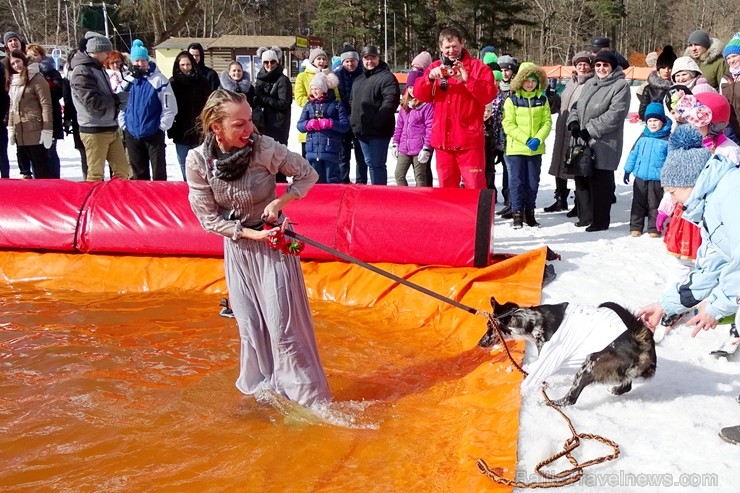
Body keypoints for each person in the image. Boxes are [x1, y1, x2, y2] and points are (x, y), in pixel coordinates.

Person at [185, 89, 330, 408]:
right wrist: (250, 236)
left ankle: (308, 401)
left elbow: (308, 174)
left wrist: (280, 202)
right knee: (250, 326)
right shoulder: (198, 161)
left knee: (283, 330)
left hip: (274, 244)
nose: (249, 129)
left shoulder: (264, 148)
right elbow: (208, 220)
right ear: (216, 128)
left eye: (250, 120)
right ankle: (267, 395)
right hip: (240, 250)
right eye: (239, 124)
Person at [636, 125, 740, 443]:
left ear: (689, 183)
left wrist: (719, 306)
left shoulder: (730, 195)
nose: (671, 199)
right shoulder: (712, 197)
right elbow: (711, 265)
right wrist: (665, 305)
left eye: (672, 192)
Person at [413, 27, 496, 189]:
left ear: (462, 43)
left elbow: (488, 95)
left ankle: (478, 215)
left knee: (475, 187)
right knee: (447, 190)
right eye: (447, 47)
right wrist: (429, 78)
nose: (451, 51)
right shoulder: (435, 67)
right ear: (441, 48)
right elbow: (419, 95)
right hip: (443, 141)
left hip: (469, 142)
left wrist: (467, 80)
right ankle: (451, 216)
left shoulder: (478, 68)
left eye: (454, 46)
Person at [566, 50, 630, 232]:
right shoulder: (590, 83)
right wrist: (574, 122)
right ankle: (585, 215)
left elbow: (615, 114)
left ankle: (600, 220)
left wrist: (591, 129)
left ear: (612, 67)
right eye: (598, 65)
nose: (601, 68)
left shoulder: (620, 85)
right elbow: (576, 106)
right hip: (583, 140)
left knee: (600, 182)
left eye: (605, 65)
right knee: (582, 178)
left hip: (604, 141)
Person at [69, 31, 131, 181]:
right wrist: (116, 99)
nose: (108, 55)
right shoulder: (81, 72)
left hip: (110, 126)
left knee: (123, 172)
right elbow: (92, 102)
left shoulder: (98, 68)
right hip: (94, 129)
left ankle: (119, 200)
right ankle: (93, 204)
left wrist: (118, 104)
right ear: (95, 50)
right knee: (96, 174)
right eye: (106, 51)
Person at [501, 62, 552, 228]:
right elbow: (508, 124)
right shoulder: (512, 100)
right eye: (527, 80)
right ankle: (517, 213)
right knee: (516, 182)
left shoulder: (542, 100)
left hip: (535, 149)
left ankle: (529, 213)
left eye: (534, 80)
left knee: (532, 182)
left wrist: (538, 139)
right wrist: (525, 139)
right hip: (516, 149)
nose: (530, 84)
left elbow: (547, 122)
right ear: (520, 81)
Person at [119, 39, 177, 181]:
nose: (140, 64)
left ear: (147, 61)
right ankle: (141, 200)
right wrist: (124, 125)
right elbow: (120, 105)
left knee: (158, 172)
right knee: (139, 173)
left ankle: (160, 198)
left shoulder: (159, 80)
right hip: (132, 132)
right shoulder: (127, 81)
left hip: (153, 132)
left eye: (142, 60)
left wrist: (161, 126)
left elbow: (169, 106)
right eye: (136, 61)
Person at [546, 51, 594, 215]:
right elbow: (560, 105)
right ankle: (560, 199)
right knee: (559, 163)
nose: (582, 67)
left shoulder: (591, 83)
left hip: (576, 130)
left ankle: (579, 203)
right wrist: (552, 98)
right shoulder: (570, 83)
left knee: (575, 166)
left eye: (585, 64)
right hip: (562, 128)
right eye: (579, 64)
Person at [349, 45, 400, 185]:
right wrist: (353, 121)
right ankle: (373, 192)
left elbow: (390, 102)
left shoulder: (387, 77)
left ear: (379, 58)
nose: (369, 61)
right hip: (361, 130)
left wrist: (377, 121)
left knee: (377, 164)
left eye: (373, 57)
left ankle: (380, 193)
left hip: (379, 131)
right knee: (369, 162)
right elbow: (352, 101)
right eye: (366, 58)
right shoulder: (359, 79)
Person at [623, 102, 672, 237]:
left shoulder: (667, 139)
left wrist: (668, 177)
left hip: (657, 178)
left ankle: (653, 228)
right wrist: (628, 170)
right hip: (640, 176)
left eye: (656, 120)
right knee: (638, 202)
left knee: (654, 204)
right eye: (649, 120)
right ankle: (636, 226)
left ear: (662, 121)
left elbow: (670, 160)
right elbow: (633, 154)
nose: (652, 124)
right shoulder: (643, 137)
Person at [6, 50, 53, 179]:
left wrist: (47, 129)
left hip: (35, 130)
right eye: (13, 63)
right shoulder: (14, 81)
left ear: (24, 60)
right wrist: (10, 127)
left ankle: (45, 194)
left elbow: (46, 105)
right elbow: (12, 107)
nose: (16, 65)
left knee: (41, 168)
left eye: (18, 61)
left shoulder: (37, 78)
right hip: (20, 130)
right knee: (25, 170)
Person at [296, 73, 350, 183]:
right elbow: (300, 125)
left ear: (324, 89)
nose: (314, 91)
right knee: (315, 181)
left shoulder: (336, 104)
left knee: (332, 180)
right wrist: (308, 124)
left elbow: (345, 126)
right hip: (312, 151)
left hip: (331, 150)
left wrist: (331, 123)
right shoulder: (308, 105)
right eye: (312, 89)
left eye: (317, 88)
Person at [169, 51, 210, 180]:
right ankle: (186, 187)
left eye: (188, 64)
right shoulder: (173, 83)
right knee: (184, 163)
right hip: (180, 130)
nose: (186, 67)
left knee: (201, 163)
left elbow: (208, 103)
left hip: (198, 130)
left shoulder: (201, 81)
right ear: (177, 66)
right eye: (182, 65)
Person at [26, 44, 63, 179]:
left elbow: (59, 92)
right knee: (35, 153)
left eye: (35, 55)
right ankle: (39, 181)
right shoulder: (26, 74)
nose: (33, 58)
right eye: (29, 55)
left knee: (50, 151)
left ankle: (54, 180)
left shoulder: (52, 72)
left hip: (50, 116)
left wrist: (42, 89)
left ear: (42, 56)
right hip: (33, 119)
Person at [295, 48, 338, 158]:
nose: (322, 61)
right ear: (312, 61)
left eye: (324, 59)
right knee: (309, 162)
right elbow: (299, 98)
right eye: (318, 59)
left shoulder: (331, 76)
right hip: (310, 121)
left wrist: (327, 105)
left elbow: (337, 97)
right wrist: (315, 104)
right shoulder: (303, 76)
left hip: (327, 126)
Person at [333, 44, 366, 184]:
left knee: (361, 155)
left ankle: (361, 181)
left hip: (360, 119)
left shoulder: (364, 74)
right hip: (343, 120)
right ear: (342, 62)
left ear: (357, 61)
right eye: (347, 61)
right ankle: (343, 181)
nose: (350, 64)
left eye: (352, 60)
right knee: (343, 155)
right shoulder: (336, 76)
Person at [391, 85, 434, 187]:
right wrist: (395, 143)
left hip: (419, 147)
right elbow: (400, 126)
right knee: (399, 174)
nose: (412, 90)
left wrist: (426, 147)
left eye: (414, 87)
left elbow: (430, 127)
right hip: (404, 147)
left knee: (420, 176)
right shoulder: (404, 105)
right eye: (410, 87)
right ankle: (405, 197)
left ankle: (421, 199)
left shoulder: (426, 105)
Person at [253, 47, 293, 146]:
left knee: (276, 155)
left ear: (277, 62)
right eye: (266, 62)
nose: (269, 65)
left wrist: (263, 97)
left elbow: (283, 104)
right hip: (262, 122)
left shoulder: (283, 80)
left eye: (272, 62)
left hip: (278, 125)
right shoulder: (260, 78)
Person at [495, 54, 519, 216]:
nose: (504, 74)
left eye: (507, 70)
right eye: (501, 70)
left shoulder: (515, 89)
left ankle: (510, 199)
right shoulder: (495, 88)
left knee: (509, 169)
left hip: (510, 135)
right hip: (495, 134)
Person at [61, 49, 87, 178]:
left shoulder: (90, 74)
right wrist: (67, 119)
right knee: (84, 153)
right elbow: (67, 100)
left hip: (92, 117)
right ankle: (87, 179)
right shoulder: (67, 79)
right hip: (77, 119)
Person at [637, 46, 677, 120]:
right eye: (663, 67)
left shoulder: (678, 88)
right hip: (655, 127)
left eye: (670, 67)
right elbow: (642, 113)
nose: (666, 71)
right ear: (658, 68)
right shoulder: (649, 89)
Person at [720, 33, 740, 143]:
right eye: (728, 58)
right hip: (732, 129)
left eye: (734, 56)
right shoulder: (725, 78)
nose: (731, 60)